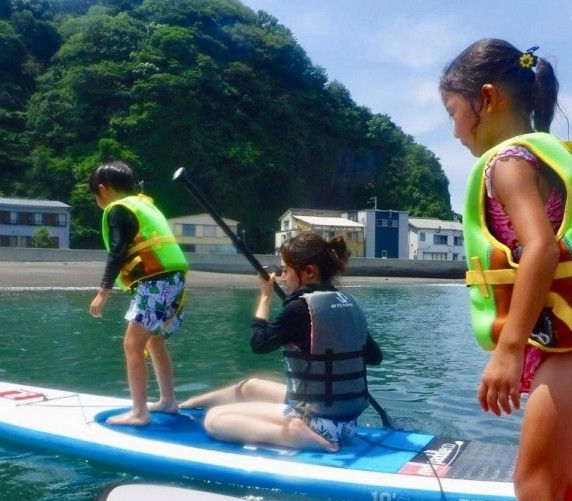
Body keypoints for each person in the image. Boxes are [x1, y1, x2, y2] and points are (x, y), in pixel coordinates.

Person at [439, 39, 572, 501]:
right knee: (559, 474)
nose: (456, 131)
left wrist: (507, 352)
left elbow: (542, 250)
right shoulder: (541, 154)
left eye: (454, 113)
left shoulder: (507, 163)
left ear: (486, 99)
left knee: (533, 485)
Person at [180, 232, 382, 452]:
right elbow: (375, 357)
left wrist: (265, 297)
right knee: (251, 387)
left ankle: (292, 434)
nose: (283, 278)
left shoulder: (299, 308)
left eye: (286, 270)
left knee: (214, 419)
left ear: (309, 272)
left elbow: (259, 343)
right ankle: (193, 402)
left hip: (319, 425)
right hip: (348, 424)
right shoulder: (350, 304)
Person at [88, 161, 189, 426]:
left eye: (95, 195)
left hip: (155, 281)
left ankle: (139, 412)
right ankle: (167, 401)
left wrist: (103, 291)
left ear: (102, 189)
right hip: (174, 279)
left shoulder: (119, 209)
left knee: (132, 344)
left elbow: (117, 251)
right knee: (154, 341)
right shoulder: (144, 204)